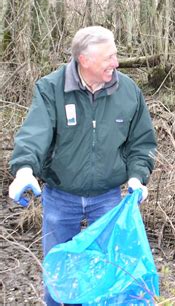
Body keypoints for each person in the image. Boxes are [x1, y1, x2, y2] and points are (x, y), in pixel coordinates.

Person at [8, 26, 157, 305]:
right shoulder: (51, 88)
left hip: (108, 199)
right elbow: (34, 134)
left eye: (115, 55)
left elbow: (142, 143)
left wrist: (138, 177)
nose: (116, 63)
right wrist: (24, 169)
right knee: (59, 274)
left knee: (110, 273)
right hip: (61, 198)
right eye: (109, 58)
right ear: (84, 60)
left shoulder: (127, 91)